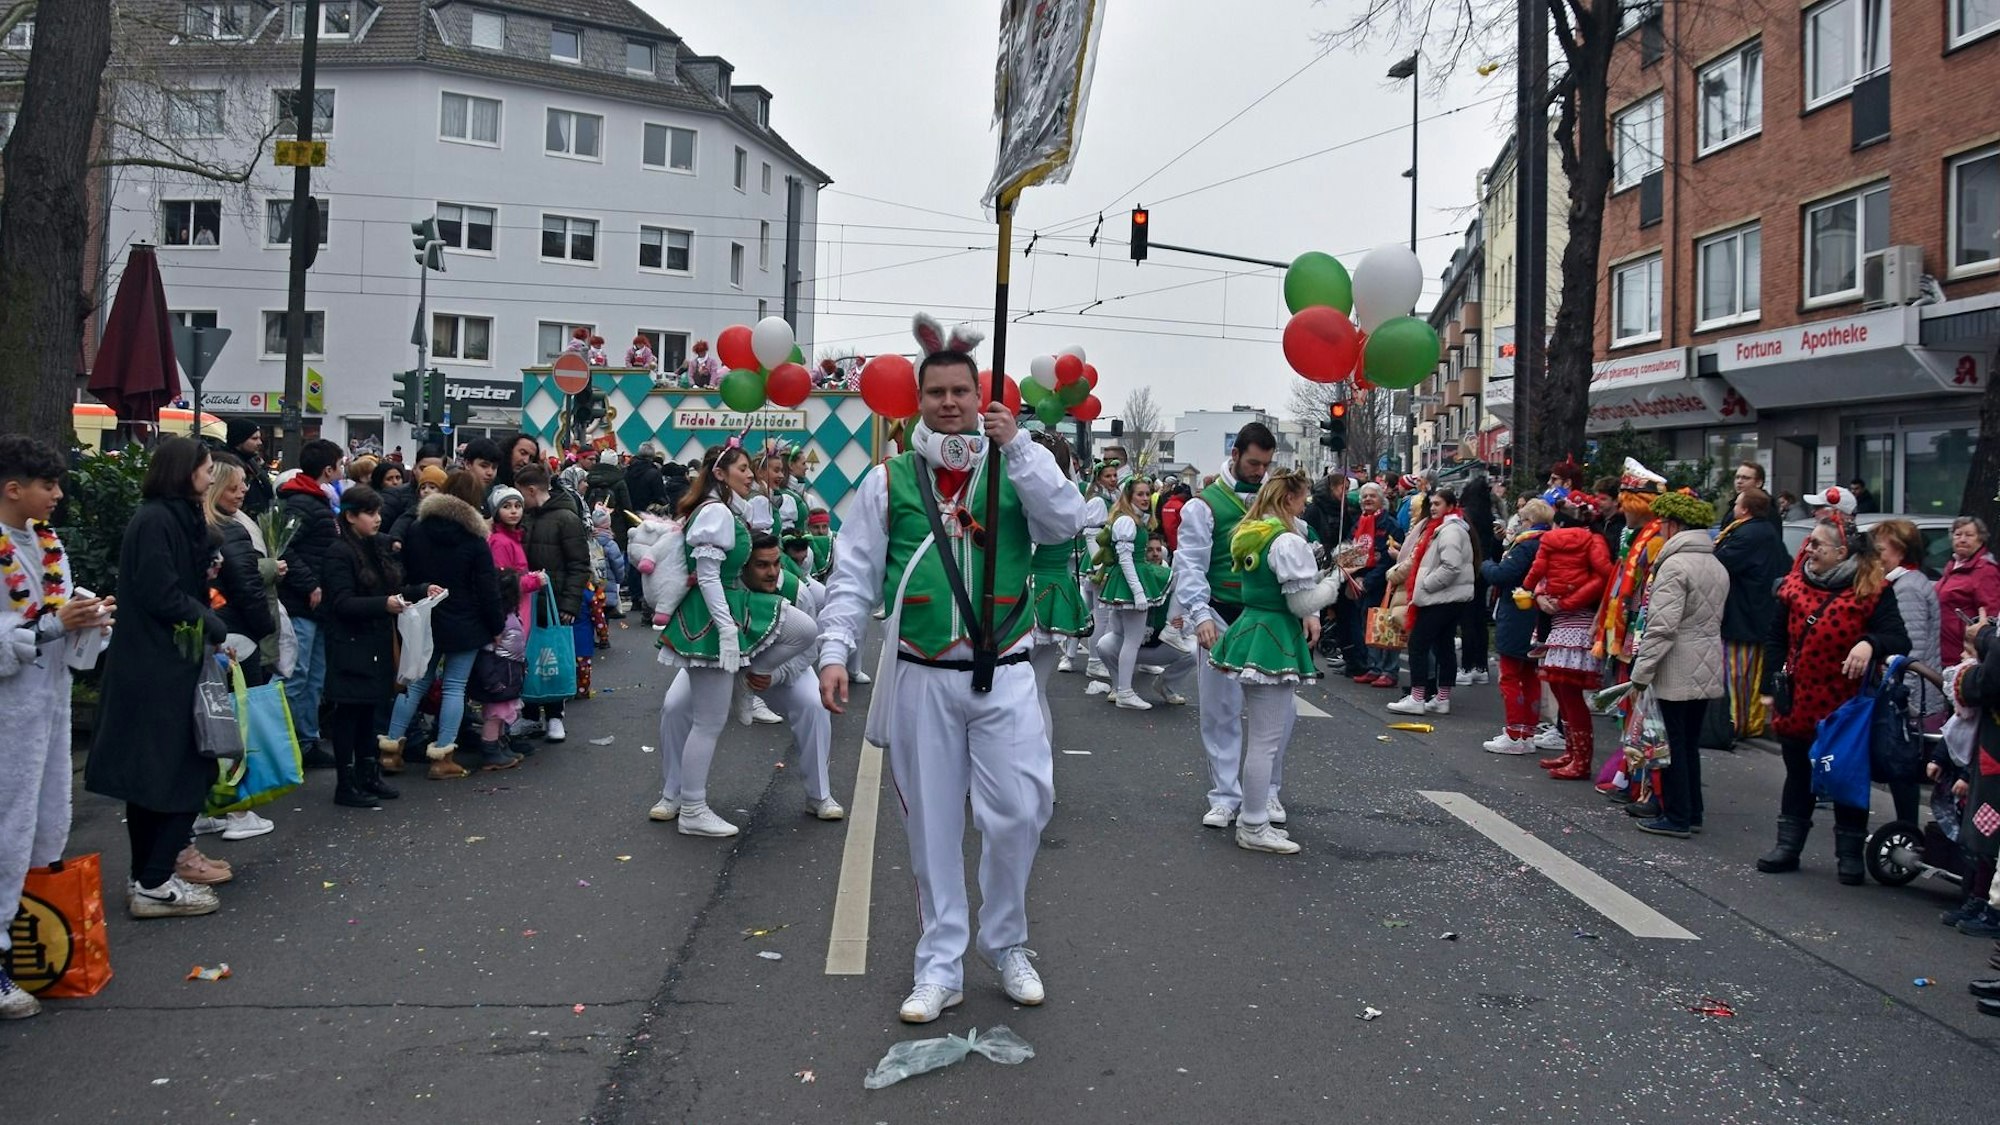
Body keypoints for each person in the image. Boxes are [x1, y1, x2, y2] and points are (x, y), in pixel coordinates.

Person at [814, 316, 1089, 1024]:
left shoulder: (1017, 464)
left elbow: (1064, 522)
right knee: (932, 825)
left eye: (959, 391)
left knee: (1024, 807)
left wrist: (1018, 446)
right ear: (917, 400)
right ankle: (939, 964)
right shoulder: (889, 479)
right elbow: (852, 573)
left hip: (1008, 668)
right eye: (934, 391)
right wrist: (836, 649)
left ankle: (1007, 941)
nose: (948, 402)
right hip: (922, 674)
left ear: (980, 396)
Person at [86, 437, 228, 920]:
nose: (212, 478)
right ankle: (154, 881)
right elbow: (161, 592)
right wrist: (212, 625)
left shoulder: (168, 518)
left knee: (155, 778)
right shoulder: (158, 520)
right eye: (207, 469)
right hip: (158, 668)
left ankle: (148, 876)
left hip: (161, 663)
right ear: (185, 472)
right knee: (182, 773)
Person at [0, 436, 114, 1017]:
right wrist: (49, 626)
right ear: (13, 489)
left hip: (48, 705)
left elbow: (56, 616)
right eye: (49, 486)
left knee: (41, 824)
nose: (58, 495)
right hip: (7, 716)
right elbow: (24, 627)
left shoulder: (49, 543)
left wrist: (87, 620)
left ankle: (34, 939)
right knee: (4, 828)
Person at [657, 445, 820, 838]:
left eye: (751, 468)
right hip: (715, 613)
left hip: (730, 605)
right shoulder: (714, 512)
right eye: (743, 469)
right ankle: (691, 807)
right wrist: (727, 628)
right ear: (720, 473)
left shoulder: (729, 509)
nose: (751, 475)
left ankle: (750, 678)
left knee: (805, 629)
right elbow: (709, 576)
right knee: (707, 722)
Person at [1756, 519, 1909, 882]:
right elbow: (1775, 638)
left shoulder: (1872, 589)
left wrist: (1869, 642)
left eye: (1818, 545)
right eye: (1810, 543)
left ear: (1843, 553)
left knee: (1844, 776)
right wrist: (1768, 687)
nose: (1809, 550)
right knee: (1798, 774)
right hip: (1798, 696)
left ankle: (1849, 856)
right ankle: (1788, 848)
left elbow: (1899, 638)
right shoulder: (1794, 585)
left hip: (1845, 704)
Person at [655, 535, 843, 824]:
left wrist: (774, 674)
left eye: (776, 563)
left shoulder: (798, 591)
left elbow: (809, 648)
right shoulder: (721, 588)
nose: (772, 572)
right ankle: (674, 794)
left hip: (774, 670)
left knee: (814, 706)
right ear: (742, 566)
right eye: (761, 565)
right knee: (674, 706)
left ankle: (819, 795)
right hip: (717, 662)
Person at [1206, 469, 1341, 855]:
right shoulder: (1285, 541)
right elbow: (1301, 603)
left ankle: (1255, 820)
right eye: (1301, 500)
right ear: (1288, 500)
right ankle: (1253, 824)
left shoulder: (1253, 532)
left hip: (1251, 627)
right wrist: (1332, 583)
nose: (1305, 507)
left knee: (1260, 739)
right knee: (1266, 742)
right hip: (1273, 634)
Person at [1172, 422, 1279, 829]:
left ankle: (1266, 792)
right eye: (1253, 462)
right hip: (1219, 613)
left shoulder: (1275, 499)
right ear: (1235, 454)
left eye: (1266, 464)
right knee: (1219, 711)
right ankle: (1224, 795)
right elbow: (1191, 563)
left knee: (1275, 718)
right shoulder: (1204, 505)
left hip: (1266, 617)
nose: (1259, 471)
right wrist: (1198, 614)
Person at [382, 470, 509, 778]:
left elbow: (405, 573)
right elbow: (487, 588)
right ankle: (443, 756)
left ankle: (389, 751)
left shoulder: (416, 528)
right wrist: (496, 625)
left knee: (416, 682)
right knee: (454, 686)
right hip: (466, 620)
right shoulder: (475, 538)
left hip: (424, 614)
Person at [319, 485, 437, 806]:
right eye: (370, 513)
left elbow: (394, 588)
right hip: (351, 644)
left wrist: (421, 590)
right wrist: (383, 604)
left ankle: (368, 774)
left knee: (370, 713)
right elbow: (341, 602)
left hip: (376, 642)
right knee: (350, 714)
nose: (377, 519)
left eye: (378, 513)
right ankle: (346, 783)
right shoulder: (339, 552)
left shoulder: (374, 546)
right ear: (351, 516)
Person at [1625, 492, 1728, 838]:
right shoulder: (1715, 564)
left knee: (1671, 745)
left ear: (1674, 525)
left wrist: (1641, 673)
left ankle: (1677, 815)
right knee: (1689, 742)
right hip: (1708, 661)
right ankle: (1692, 810)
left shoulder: (1674, 566)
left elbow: (1662, 627)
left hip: (1677, 665)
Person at [1523, 493, 1614, 779]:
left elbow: (1604, 578)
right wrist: (1546, 598)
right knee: (1564, 692)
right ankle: (1573, 752)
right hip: (1564, 621)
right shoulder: (1591, 540)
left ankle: (1581, 759)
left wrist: (1550, 598)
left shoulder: (1583, 541)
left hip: (1576, 623)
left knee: (1570, 694)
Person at [1027, 431, 1102, 736]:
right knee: (1038, 690)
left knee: (1012, 693)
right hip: (1058, 588)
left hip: (1026, 591)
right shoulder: (1072, 498)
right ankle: (1042, 775)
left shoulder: (1029, 498)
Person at [277, 438, 345, 769]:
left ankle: (306, 740)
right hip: (302, 603)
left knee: (314, 676)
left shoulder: (317, 501)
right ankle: (281, 745)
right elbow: (284, 547)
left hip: (317, 606)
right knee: (296, 674)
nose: (342, 468)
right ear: (328, 469)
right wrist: (310, 584)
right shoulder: (303, 503)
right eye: (339, 463)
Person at [515, 464, 590, 742]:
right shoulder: (526, 516)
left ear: (532, 490)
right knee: (529, 657)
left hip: (555, 599)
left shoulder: (565, 518)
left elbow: (579, 564)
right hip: (527, 599)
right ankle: (531, 715)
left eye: (522, 493)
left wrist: (570, 604)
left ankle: (555, 715)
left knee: (553, 657)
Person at [1386, 487, 1475, 717]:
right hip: (1449, 598)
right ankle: (1442, 698)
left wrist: (1426, 584)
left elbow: (1451, 566)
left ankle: (1417, 698)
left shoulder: (1450, 531)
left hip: (1440, 598)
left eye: (1438, 504)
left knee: (1418, 643)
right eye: (1432, 504)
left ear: (1450, 506)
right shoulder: (1447, 528)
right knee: (1444, 646)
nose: (1433, 508)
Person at [1875, 518, 1941, 824]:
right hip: (1910, 693)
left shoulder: (1908, 588)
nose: (1878, 555)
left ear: (1900, 551)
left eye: (1882, 548)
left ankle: (1907, 831)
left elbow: (1911, 651)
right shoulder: (1904, 583)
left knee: (1903, 767)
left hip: (1911, 696)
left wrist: (1906, 698)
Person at [1479, 499, 1551, 754]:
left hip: (1517, 613)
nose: (1518, 525)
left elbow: (1502, 575)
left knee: (1509, 675)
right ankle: (1528, 733)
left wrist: (1486, 563)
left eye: (1521, 520)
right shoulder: (1548, 542)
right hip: (1537, 618)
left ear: (1530, 521)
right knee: (1531, 675)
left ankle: (1513, 733)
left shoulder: (1525, 546)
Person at [1091, 474, 1168, 710]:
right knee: (1132, 640)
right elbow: (1125, 560)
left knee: (1122, 638)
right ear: (1129, 496)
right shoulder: (1127, 521)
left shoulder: (1135, 519)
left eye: (1147, 494)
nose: (1145, 498)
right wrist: (1138, 593)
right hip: (1129, 580)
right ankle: (1124, 690)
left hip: (1131, 579)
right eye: (1140, 494)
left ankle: (1120, 686)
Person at [1714, 487, 1785, 741]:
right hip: (1756, 615)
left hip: (1744, 617)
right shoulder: (1766, 531)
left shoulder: (1746, 534)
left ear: (1745, 509)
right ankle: (1746, 721)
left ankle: (1737, 723)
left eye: (1737, 504)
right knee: (1750, 676)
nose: (1733, 507)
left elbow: (1719, 562)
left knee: (1737, 676)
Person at [1349, 482, 1404, 689]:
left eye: (1372, 496)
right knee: (1369, 626)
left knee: (1388, 626)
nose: (1367, 500)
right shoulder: (1359, 522)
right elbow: (1352, 550)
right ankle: (1374, 667)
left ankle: (1389, 670)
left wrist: (1369, 581)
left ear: (1382, 499)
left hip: (1383, 584)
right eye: (1364, 497)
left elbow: (1389, 560)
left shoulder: (1390, 525)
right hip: (1361, 583)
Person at [1456, 469, 1501, 684]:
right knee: (1479, 619)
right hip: (1484, 569)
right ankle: (1481, 666)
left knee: (1467, 620)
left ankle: (1466, 666)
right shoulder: (1490, 517)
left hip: (1467, 570)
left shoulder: (1465, 517)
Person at [1938, 517, 2000, 667]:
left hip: (1964, 651)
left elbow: (1990, 616)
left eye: (1969, 535)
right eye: (1958, 534)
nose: (1963, 539)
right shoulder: (1953, 565)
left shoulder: (1985, 570)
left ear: (1980, 539)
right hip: (1944, 648)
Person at [226, 420, 276, 516]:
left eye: (259, 438)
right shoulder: (230, 465)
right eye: (254, 438)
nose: (259, 442)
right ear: (239, 440)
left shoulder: (251, 462)